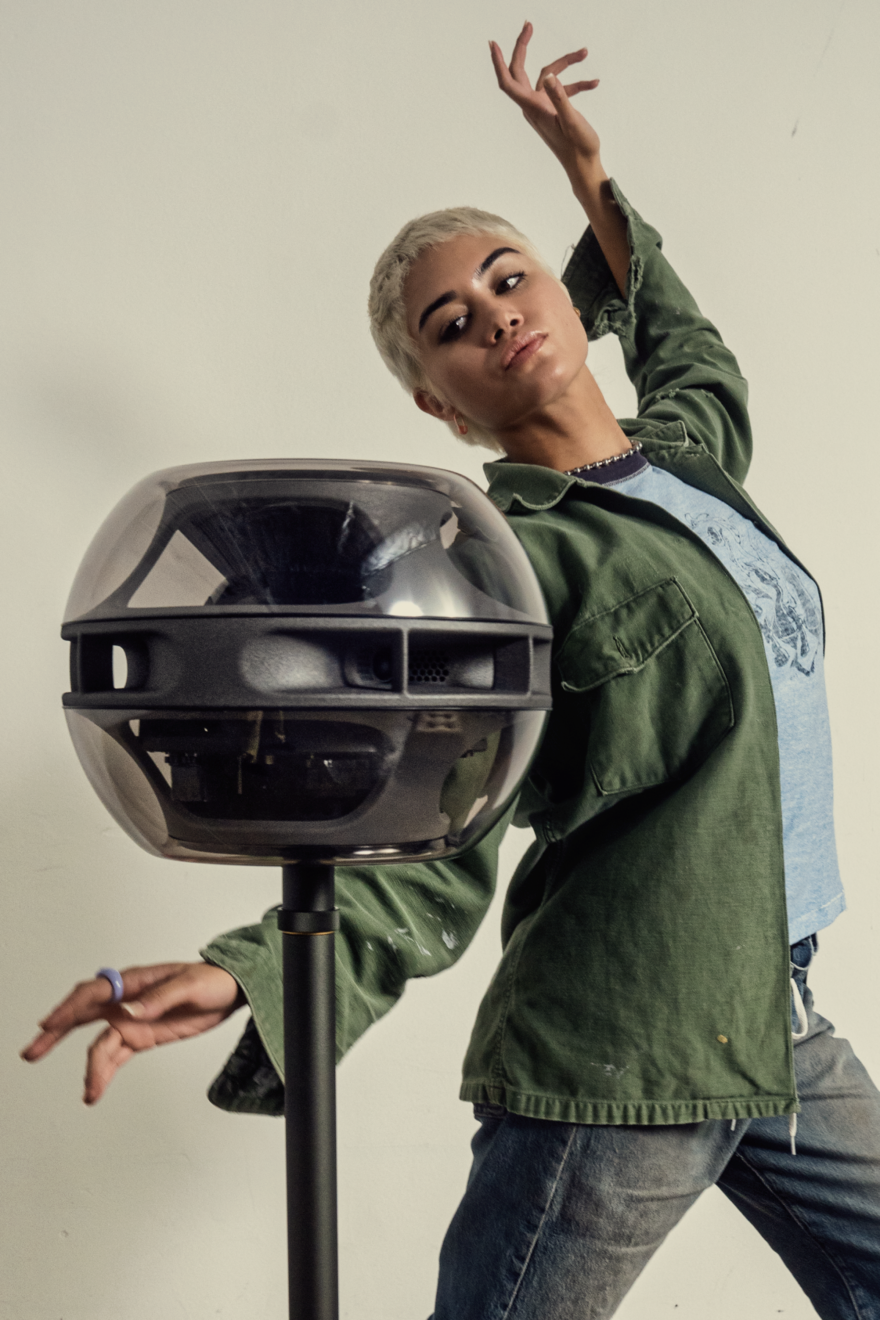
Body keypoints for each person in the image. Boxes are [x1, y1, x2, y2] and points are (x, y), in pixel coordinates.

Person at [21, 24, 880, 1318]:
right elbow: (442, 804)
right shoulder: (499, 566)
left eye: (509, 278)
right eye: (453, 324)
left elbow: (690, 343)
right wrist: (260, 969)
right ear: (441, 403)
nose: (496, 316)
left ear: (568, 299)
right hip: (623, 1045)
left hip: (776, 1018)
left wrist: (588, 174)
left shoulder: (691, 460)